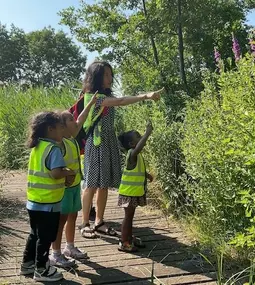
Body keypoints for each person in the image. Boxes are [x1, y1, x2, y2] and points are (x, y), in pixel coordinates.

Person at [79, 61, 163, 238]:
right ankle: (85, 223)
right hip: (96, 144)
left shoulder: (103, 96)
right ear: (96, 77)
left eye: (111, 74)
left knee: (104, 186)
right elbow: (122, 101)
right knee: (91, 185)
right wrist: (145, 96)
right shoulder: (93, 97)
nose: (110, 78)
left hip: (108, 143)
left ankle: (99, 222)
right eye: (106, 75)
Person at [20, 111, 75, 282]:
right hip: (48, 203)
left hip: (34, 201)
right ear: (51, 129)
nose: (62, 132)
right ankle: (42, 270)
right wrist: (69, 172)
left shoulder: (37, 147)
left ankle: (27, 264)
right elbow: (55, 173)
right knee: (46, 237)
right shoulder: (54, 149)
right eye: (60, 128)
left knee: (34, 234)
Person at [50, 93, 98, 268]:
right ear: (62, 126)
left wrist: (91, 103)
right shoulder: (59, 143)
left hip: (75, 186)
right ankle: (55, 254)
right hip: (62, 189)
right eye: (71, 119)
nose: (75, 120)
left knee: (72, 216)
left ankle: (69, 247)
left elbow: (82, 118)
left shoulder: (71, 138)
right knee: (60, 220)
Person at [117, 122, 153, 252]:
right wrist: (148, 133)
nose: (142, 137)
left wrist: (147, 175)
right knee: (128, 217)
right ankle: (124, 242)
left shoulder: (136, 156)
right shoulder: (132, 153)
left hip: (134, 192)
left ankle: (129, 238)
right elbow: (140, 146)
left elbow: (137, 170)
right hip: (129, 193)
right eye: (139, 136)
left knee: (130, 217)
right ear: (132, 144)